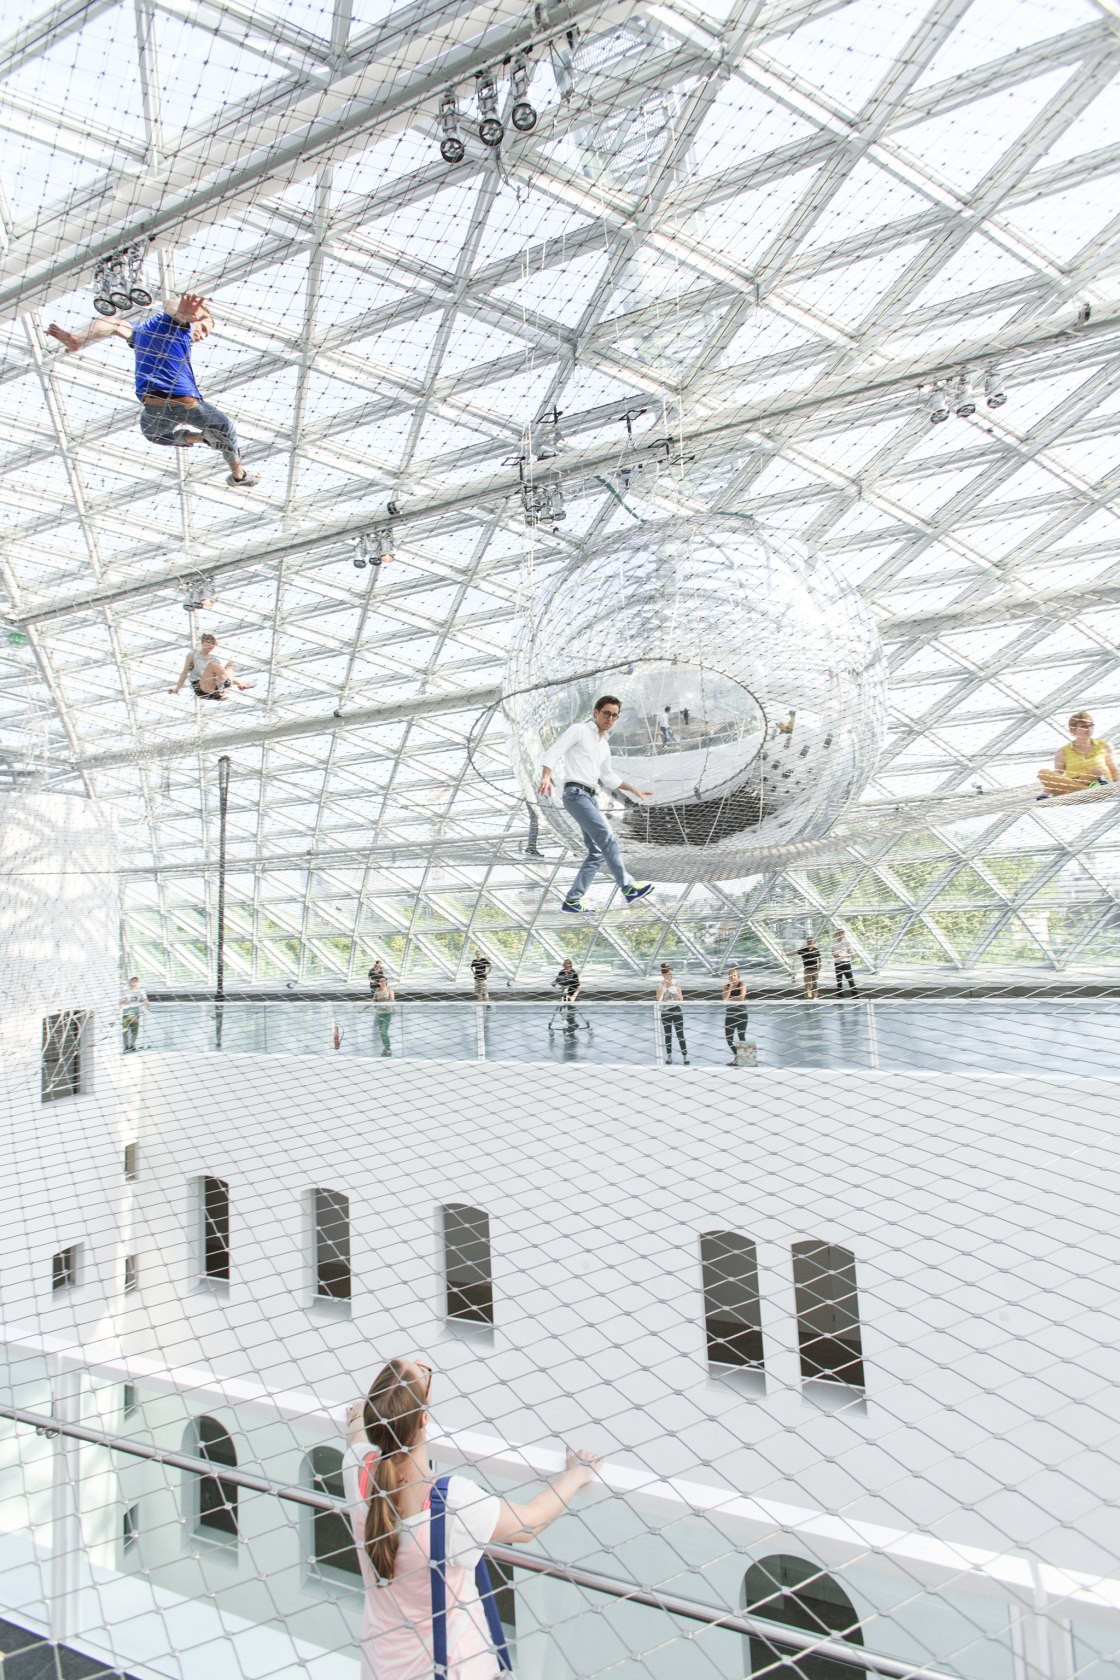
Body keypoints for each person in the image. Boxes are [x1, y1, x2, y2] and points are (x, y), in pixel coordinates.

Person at [343, 1358, 601, 1680]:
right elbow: (529, 1524)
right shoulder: (450, 1502)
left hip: (381, 1666)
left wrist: (357, 1417)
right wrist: (575, 1476)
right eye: (426, 1377)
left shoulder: (355, 1467)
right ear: (424, 1418)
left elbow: (357, 1436)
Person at [47, 293, 259, 487]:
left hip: (155, 407)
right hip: (186, 405)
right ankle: (236, 472)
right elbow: (169, 304)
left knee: (154, 435)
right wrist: (187, 313)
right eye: (203, 329)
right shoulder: (177, 325)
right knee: (224, 429)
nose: (203, 336)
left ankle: (207, 443)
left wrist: (80, 338)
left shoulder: (140, 332)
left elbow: (112, 325)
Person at [538, 697, 653, 913]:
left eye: (614, 716)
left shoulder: (603, 745)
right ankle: (628, 888)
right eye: (606, 713)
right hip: (575, 794)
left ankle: (572, 901)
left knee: (596, 853)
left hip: (590, 797)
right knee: (608, 839)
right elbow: (554, 751)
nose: (610, 719)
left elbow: (608, 777)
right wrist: (546, 776)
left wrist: (633, 788)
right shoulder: (579, 730)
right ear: (596, 712)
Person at [1037, 712, 1119, 797]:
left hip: (1097, 784)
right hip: (1073, 787)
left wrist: (1117, 786)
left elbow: (1114, 770)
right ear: (1073, 730)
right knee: (1043, 773)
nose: (1089, 729)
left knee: (1097, 771)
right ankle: (1084, 791)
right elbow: (1057, 775)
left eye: (1091, 725)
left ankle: (1080, 792)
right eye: (1084, 727)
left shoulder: (1104, 745)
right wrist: (1045, 793)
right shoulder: (1063, 751)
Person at [168, 633, 253, 702]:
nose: (210, 645)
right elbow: (184, 673)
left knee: (231, 664)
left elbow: (223, 675)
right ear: (202, 642)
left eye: (213, 643)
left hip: (215, 683)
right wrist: (177, 689)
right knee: (213, 665)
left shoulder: (214, 658)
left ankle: (226, 689)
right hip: (201, 687)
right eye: (208, 642)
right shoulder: (193, 655)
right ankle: (232, 686)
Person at [656, 965, 688, 1064]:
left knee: (680, 1034)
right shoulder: (659, 985)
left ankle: (685, 1057)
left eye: (671, 974)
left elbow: (681, 998)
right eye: (668, 975)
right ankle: (669, 1057)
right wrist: (665, 987)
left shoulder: (676, 983)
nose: (670, 977)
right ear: (663, 975)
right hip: (665, 1012)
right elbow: (659, 999)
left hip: (676, 1010)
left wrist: (677, 997)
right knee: (668, 1035)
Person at [722, 967, 748, 1062]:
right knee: (729, 1038)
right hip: (730, 1015)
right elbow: (724, 998)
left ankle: (744, 1059)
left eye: (734, 975)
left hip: (741, 1014)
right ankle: (738, 1056)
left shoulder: (742, 984)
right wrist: (730, 988)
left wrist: (729, 1000)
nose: (732, 977)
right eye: (730, 976)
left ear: (738, 976)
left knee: (741, 1036)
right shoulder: (726, 986)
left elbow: (741, 998)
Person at [788, 936, 822, 1000]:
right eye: (808, 941)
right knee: (807, 983)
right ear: (807, 942)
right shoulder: (803, 950)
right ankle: (808, 996)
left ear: (812, 942)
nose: (810, 942)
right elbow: (794, 952)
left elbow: (819, 959)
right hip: (807, 969)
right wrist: (786, 954)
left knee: (815, 983)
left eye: (811, 941)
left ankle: (815, 996)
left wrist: (819, 968)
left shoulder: (816, 950)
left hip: (815, 969)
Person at [120, 976, 148, 1053]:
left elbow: (145, 1000)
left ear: (137, 983)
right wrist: (122, 1006)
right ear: (130, 983)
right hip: (125, 1014)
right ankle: (126, 1046)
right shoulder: (125, 992)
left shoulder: (140, 991)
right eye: (133, 982)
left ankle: (132, 1045)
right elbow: (121, 1002)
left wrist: (144, 1008)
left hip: (135, 1014)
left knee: (134, 1031)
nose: (134, 984)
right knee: (124, 1031)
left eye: (136, 982)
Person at [554, 957, 581, 1035]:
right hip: (565, 994)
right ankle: (573, 1024)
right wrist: (554, 983)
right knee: (562, 1010)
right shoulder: (561, 972)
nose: (568, 968)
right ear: (563, 966)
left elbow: (578, 987)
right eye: (566, 966)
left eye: (569, 966)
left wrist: (573, 997)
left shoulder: (574, 973)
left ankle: (572, 1025)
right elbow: (558, 980)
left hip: (573, 994)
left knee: (570, 1010)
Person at [373, 975, 395, 1056]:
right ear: (379, 982)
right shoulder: (377, 990)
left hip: (387, 1013)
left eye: (383, 981)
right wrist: (363, 1008)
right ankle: (385, 1047)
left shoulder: (390, 990)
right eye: (380, 981)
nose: (382, 982)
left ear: (386, 981)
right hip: (379, 1013)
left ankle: (388, 1047)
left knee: (384, 1031)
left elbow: (392, 999)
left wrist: (392, 1007)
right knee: (381, 1031)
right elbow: (373, 1001)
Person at [833, 928, 858, 995]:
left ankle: (855, 995)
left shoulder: (847, 943)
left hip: (846, 963)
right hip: (837, 963)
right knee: (839, 981)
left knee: (850, 980)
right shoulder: (834, 943)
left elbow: (853, 953)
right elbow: (833, 952)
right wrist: (834, 954)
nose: (839, 934)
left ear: (843, 934)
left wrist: (843, 954)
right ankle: (839, 995)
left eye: (841, 933)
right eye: (838, 933)